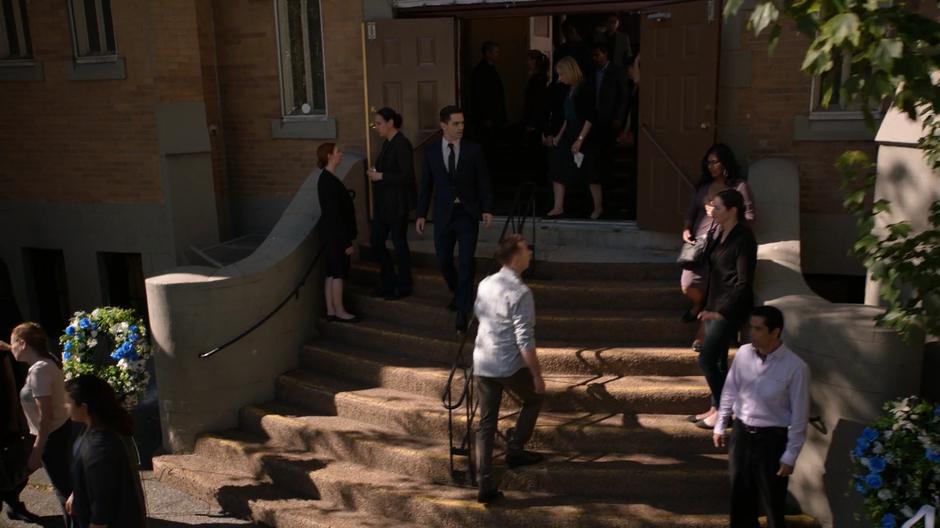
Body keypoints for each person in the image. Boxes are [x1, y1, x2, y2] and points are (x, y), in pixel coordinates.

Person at [713, 305, 810, 528]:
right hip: (742, 434)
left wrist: (791, 454)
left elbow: (799, 415)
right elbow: (730, 389)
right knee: (740, 500)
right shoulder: (744, 354)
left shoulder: (796, 367)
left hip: (772, 440)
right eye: (751, 328)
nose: (751, 333)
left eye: (758, 329)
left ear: (775, 332)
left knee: (772, 501)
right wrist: (721, 423)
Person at [473, 234, 545, 504]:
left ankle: (484, 482)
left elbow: (479, 314)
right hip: (507, 363)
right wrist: (536, 374)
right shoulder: (521, 292)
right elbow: (524, 339)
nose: (530, 254)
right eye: (526, 250)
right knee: (534, 398)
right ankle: (515, 449)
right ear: (516, 258)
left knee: (486, 423)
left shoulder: (486, 283)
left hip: (483, 359)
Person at [416, 106, 494, 333]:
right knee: (443, 260)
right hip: (443, 215)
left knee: (466, 261)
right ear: (443, 125)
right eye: (456, 124)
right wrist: (421, 213)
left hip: (467, 214)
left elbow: (483, 181)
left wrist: (487, 208)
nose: (461, 127)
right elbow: (426, 185)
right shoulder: (431, 152)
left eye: (462, 123)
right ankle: (460, 292)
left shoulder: (473, 150)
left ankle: (462, 311)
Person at [681, 144, 755, 359]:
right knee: (689, 284)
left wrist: (724, 218)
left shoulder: (738, 187)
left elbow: (750, 216)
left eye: (715, 162)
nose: (711, 166)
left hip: (723, 246)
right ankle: (700, 305)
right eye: (708, 162)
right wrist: (687, 229)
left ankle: (704, 331)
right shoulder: (704, 186)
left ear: (726, 163)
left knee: (718, 287)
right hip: (701, 246)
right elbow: (690, 212)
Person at [694, 189, 758, 430]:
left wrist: (721, 311)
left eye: (718, 208)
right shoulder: (720, 232)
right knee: (717, 358)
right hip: (714, 303)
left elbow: (743, 282)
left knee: (707, 358)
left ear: (733, 210)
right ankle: (714, 407)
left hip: (731, 307)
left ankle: (724, 410)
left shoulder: (744, 237)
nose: (713, 211)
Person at [10, 322, 73, 527]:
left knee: (62, 488)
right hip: (60, 429)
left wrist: (37, 449)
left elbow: (44, 417)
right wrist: (5, 345)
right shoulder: (48, 360)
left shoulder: (39, 371)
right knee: (67, 483)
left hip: (50, 436)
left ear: (22, 343)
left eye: (13, 344)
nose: (12, 349)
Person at [65, 374, 147, 528]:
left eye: (68, 402)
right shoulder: (94, 427)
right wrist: (76, 493)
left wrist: (96, 524)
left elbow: (102, 501)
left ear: (83, 407)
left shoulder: (99, 447)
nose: (65, 407)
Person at [543, 56, 600, 219]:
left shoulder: (585, 88)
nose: (560, 79)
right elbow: (568, 118)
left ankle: (598, 207)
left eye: (562, 75)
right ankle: (558, 206)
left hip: (584, 131)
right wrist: (558, 137)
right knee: (557, 164)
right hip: (569, 130)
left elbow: (590, 117)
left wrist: (580, 139)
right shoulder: (569, 89)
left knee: (590, 171)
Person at [368, 107, 415, 300]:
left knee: (399, 243)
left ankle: (403, 285)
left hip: (397, 203)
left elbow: (406, 175)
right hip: (384, 204)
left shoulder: (401, 144)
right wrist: (375, 172)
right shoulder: (387, 143)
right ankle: (388, 280)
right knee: (376, 241)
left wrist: (381, 176)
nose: (376, 127)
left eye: (379, 123)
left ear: (390, 123)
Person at [317, 142, 360, 323]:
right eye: (337, 152)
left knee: (332, 273)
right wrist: (346, 243)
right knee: (338, 273)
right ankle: (340, 310)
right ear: (329, 156)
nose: (340, 154)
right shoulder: (328, 181)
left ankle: (331, 310)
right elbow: (335, 215)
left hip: (332, 235)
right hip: (337, 236)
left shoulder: (327, 179)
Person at [0, 340, 41, 523]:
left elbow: (8, 382)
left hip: (5, 418)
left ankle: (13, 504)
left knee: (19, 462)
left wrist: (12, 417)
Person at [590, 43, 629, 199]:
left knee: (608, 151)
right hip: (595, 117)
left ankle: (608, 182)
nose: (595, 58)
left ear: (605, 54)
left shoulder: (616, 71)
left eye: (598, 55)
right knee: (595, 151)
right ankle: (597, 181)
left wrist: (619, 117)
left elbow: (623, 96)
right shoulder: (592, 72)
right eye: (594, 55)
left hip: (610, 117)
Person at [467, 41, 507, 142]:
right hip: (487, 118)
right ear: (488, 53)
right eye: (496, 52)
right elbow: (479, 96)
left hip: (494, 116)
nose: (498, 55)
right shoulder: (480, 71)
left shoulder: (491, 69)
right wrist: (485, 117)